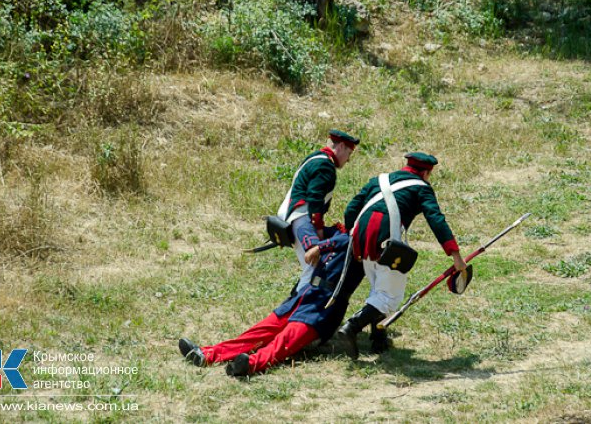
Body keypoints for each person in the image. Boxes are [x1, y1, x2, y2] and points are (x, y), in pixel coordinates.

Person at [178, 221, 364, 376]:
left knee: (283, 342)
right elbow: (302, 225)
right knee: (260, 331)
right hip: (303, 297)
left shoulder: (364, 245)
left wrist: (320, 247)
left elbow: (350, 244)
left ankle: (248, 365)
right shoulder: (333, 232)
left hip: (324, 308)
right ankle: (207, 354)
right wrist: (312, 243)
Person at [337, 152, 467, 359]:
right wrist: (455, 254)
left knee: (379, 287)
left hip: (362, 236)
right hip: (385, 236)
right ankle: (352, 327)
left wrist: (354, 236)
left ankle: (378, 339)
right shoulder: (421, 187)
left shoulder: (378, 180)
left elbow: (352, 208)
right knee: (390, 295)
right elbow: (436, 219)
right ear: (425, 172)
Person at [277, 129, 359, 288]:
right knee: (312, 267)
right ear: (341, 146)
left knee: (314, 265)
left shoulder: (316, 157)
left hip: (294, 215)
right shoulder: (325, 165)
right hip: (301, 217)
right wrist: (319, 230)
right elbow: (315, 200)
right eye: (349, 153)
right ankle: (296, 306)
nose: (348, 160)